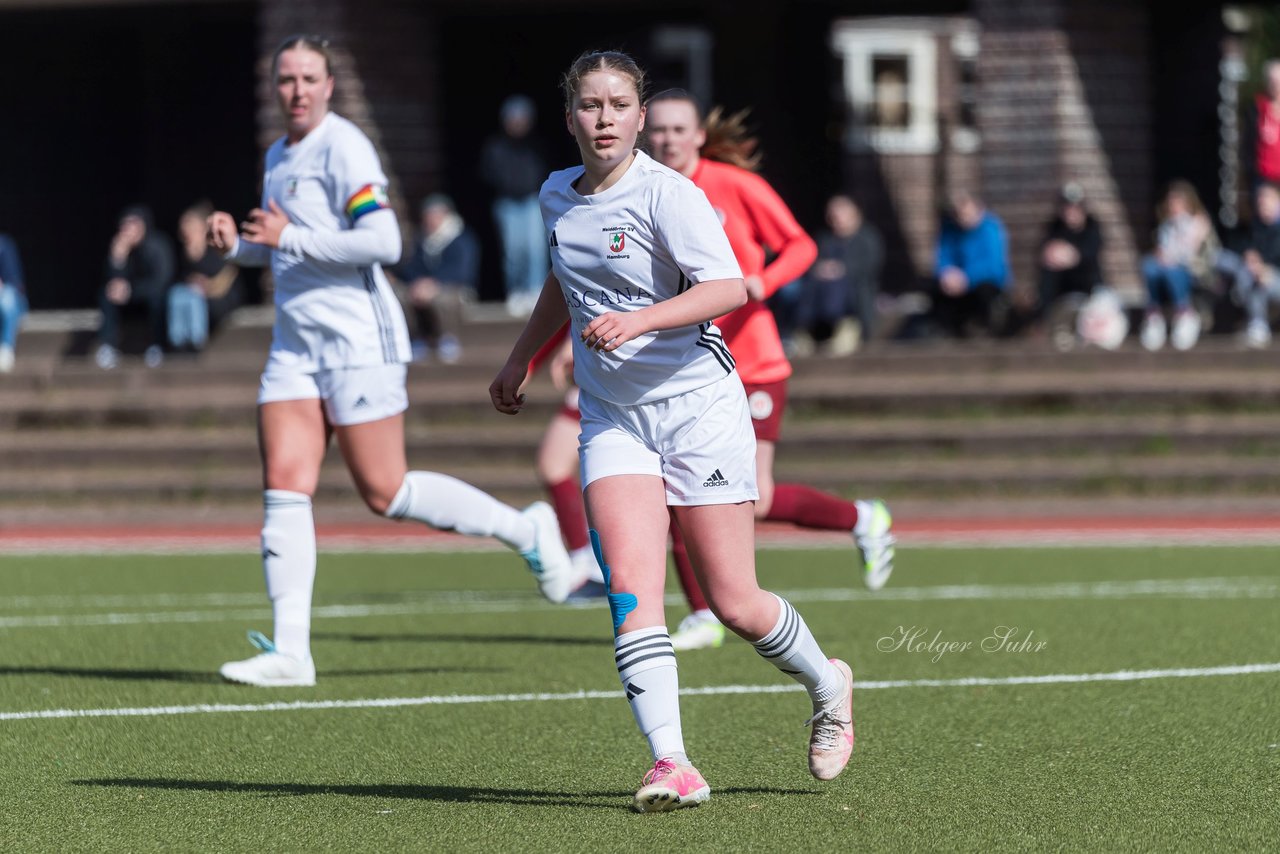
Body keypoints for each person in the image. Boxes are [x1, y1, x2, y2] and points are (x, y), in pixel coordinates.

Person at [490, 49, 856, 813]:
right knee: (631, 591)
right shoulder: (558, 195)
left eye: (619, 105)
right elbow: (563, 280)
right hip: (614, 417)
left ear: (639, 115)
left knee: (735, 602)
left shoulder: (671, 195)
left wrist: (641, 320)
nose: (605, 119)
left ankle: (829, 683)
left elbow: (727, 287)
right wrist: (522, 357)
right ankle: (673, 763)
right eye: (590, 106)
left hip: (698, 410)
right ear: (570, 118)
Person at [206, 34, 574, 688]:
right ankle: (292, 653)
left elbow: (382, 239)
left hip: (358, 341)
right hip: (295, 345)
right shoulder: (277, 154)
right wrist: (241, 246)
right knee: (285, 489)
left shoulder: (344, 146)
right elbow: (285, 249)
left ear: (328, 86)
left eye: (308, 78)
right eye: (285, 78)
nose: (296, 90)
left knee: (386, 491)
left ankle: (526, 530)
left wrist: (288, 235)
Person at [645, 90, 895, 650]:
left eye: (678, 129)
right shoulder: (644, 191)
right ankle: (705, 614)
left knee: (753, 497)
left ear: (699, 135)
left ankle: (861, 518)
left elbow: (800, 245)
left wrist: (764, 282)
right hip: (685, 368)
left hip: (752, 362)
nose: (667, 140)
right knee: (677, 489)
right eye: (658, 130)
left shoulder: (735, 186)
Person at [479, 95, 549, 316]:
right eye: (513, 118)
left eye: (522, 118)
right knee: (512, 252)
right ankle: (516, 292)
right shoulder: (495, 146)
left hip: (531, 201)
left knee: (535, 249)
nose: (518, 123)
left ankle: (536, 291)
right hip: (507, 203)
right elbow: (486, 173)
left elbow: (545, 169)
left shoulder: (536, 145)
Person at [393, 193, 479, 363]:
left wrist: (434, 283)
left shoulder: (460, 238)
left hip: (453, 288)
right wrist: (418, 284)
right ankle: (417, 338)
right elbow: (410, 267)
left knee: (442, 300)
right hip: (423, 288)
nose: (430, 219)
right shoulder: (421, 239)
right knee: (402, 296)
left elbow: (461, 270)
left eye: (434, 214)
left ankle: (447, 338)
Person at [796, 193, 884, 354]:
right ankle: (806, 331)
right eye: (833, 215)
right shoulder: (825, 238)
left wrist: (842, 269)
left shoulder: (867, 237)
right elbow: (811, 261)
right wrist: (822, 268)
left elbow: (870, 265)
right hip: (820, 294)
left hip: (853, 296)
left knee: (838, 285)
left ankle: (844, 329)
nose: (836, 219)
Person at [1139, 180, 1218, 351]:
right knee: (1149, 266)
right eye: (1171, 202)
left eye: (1178, 202)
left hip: (1193, 270)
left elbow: (1193, 252)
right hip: (1166, 267)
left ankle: (1184, 312)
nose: (1174, 206)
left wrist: (1173, 257)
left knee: (1173, 271)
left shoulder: (1198, 222)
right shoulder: (1166, 226)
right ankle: (1154, 315)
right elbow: (1161, 250)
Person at [96, 205, 174, 369]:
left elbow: (161, 282)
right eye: (124, 225)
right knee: (107, 293)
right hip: (129, 299)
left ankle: (157, 346)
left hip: (150, 298)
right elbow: (113, 281)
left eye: (133, 224)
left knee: (158, 298)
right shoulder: (120, 247)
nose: (128, 230)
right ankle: (108, 347)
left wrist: (131, 290)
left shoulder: (157, 245)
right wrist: (117, 260)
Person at [932, 190, 1011, 338]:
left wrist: (966, 277)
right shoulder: (950, 230)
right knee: (933, 287)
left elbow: (993, 267)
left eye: (967, 214)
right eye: (959, 215)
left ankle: (986, 329)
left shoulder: (990, 229)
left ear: (979, 211)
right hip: (956, 283)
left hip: (983, 284)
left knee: (986, 292)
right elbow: (943, 258)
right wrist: (946, 273)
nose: (963, 219)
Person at [169, 201, 242, 353]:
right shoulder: (184, 251)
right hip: (193, 296)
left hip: (221, 297)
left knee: (193, 298)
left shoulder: (215, 245)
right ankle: (179, 342)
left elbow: (224, 277)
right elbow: (179, 277)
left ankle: (196, 343)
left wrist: (204, 282)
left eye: (190, 225)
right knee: (177, 294)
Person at [1217, 182, 1280, 347]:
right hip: (1257, 274)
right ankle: (1257, 324)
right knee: (1226, 261)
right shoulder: (1254, 225)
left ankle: (1257, 322)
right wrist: (1250, 256)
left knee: (1260, 279)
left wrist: (1267, 269)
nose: (1262, 202)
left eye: (1267, 198)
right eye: (1260, 199)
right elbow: (1240, 248)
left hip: (1275, 277)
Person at [1036, 182, 1103, 317]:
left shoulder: (1092, 226)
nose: (1070, 211)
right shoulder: (1055, 226)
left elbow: (1090, 252)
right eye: (1067, 207)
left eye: (1075, 207)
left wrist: (1070, 255)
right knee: (1047, 272)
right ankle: (1043, 318)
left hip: (1086, 280)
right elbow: (1044, 251)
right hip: (1061, 280)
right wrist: (1053, 255)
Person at [1244, 60, 1280, 199]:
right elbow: (1247, 145)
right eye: (1273, 81)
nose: (1276, 86)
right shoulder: (1256, 109)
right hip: (1263, 179)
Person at [0, 233, 27, 373]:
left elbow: (14, 280)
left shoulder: (4, 245)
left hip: (8, 294)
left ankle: (6, 348)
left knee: (8, 301)